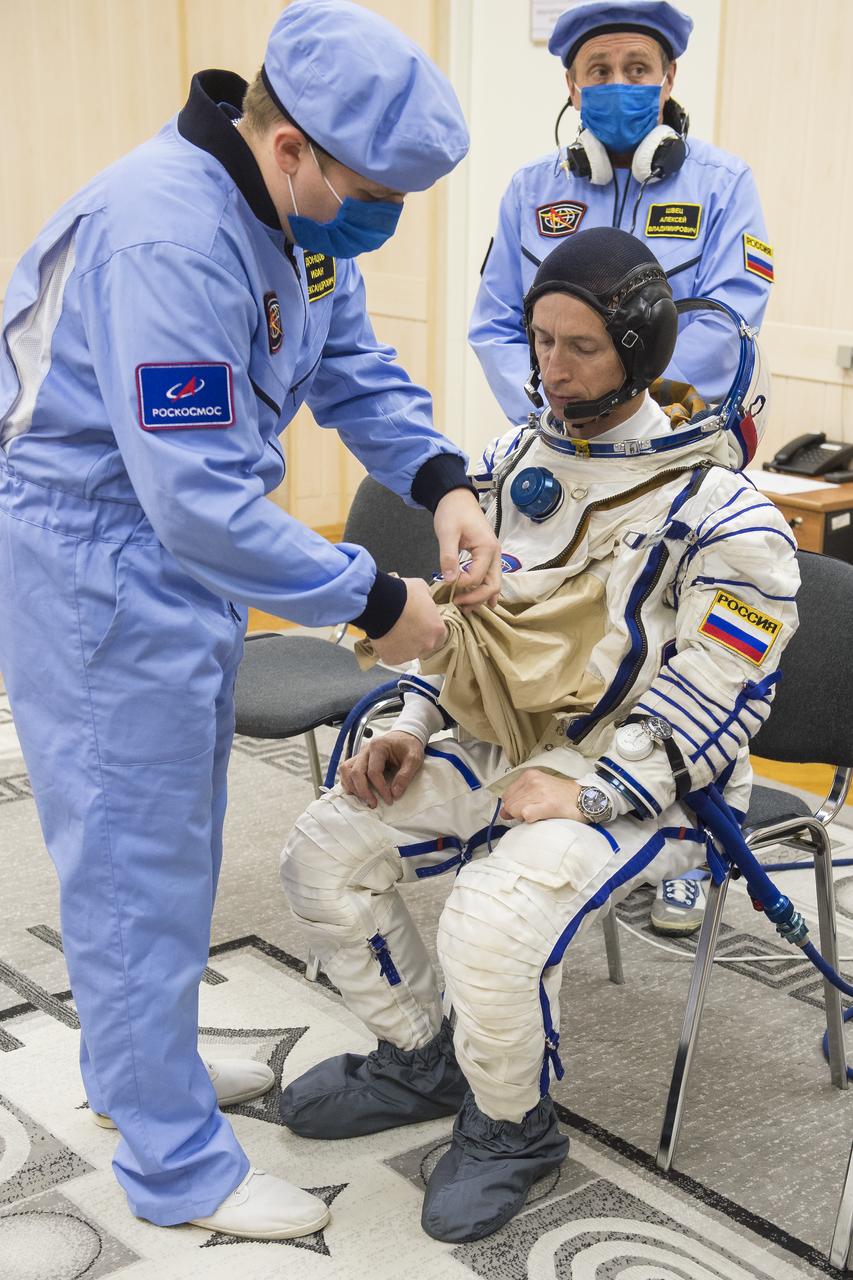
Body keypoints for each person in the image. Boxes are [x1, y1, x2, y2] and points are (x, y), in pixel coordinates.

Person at [0, 0, 500, 1242]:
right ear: (290, 147)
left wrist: (444, 481)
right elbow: (200, 500)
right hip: (99, 564)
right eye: (374, 191)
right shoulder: (168, 236)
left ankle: (138, 1075)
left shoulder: (289, 217)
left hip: (166, 558)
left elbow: (348, 370)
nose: (380, 217)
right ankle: (176, 1166)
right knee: (134, 859)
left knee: (166, 834)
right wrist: (383, 603)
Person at [278, 227, 799, 1243]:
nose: (550, 369)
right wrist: (411, 719)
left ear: (639, 353)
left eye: (579, 347)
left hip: (651, 782)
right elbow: (475, 615)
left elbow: (727, 687)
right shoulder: (519, 463)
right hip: (506, 743)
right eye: (539, 341)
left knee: (494, 915)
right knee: (325, 844)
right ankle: (419, 1055)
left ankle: (513, 1126)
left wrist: (594, 789)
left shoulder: (726, 511)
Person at [469, 0, 774, 936]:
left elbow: (728, 317)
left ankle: (692, 832)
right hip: (563, 458)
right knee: (585, 630)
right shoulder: (530, 191)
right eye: (595, 71)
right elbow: (493, 320)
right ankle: (567, 782)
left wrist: (631, 405)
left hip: (680, 450)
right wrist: (553, 410)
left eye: (635, 67)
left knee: (693, 642)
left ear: (669, 78)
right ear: (568, 85)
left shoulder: (725, 184)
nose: (615, 87)